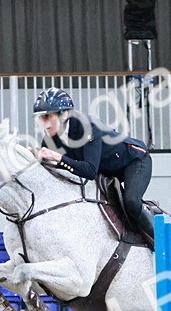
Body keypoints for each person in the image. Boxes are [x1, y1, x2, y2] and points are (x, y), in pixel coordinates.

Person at [31, 87, 155, 238]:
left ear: (64, 115)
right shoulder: (50, 139)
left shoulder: (87, 127)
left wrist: (57, 157)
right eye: (40, 118)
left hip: (134, 160)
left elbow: (89, 171)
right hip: (106, 169)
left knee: (132, 202)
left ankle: (159, 240)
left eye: (47, 117)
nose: (43, 123)